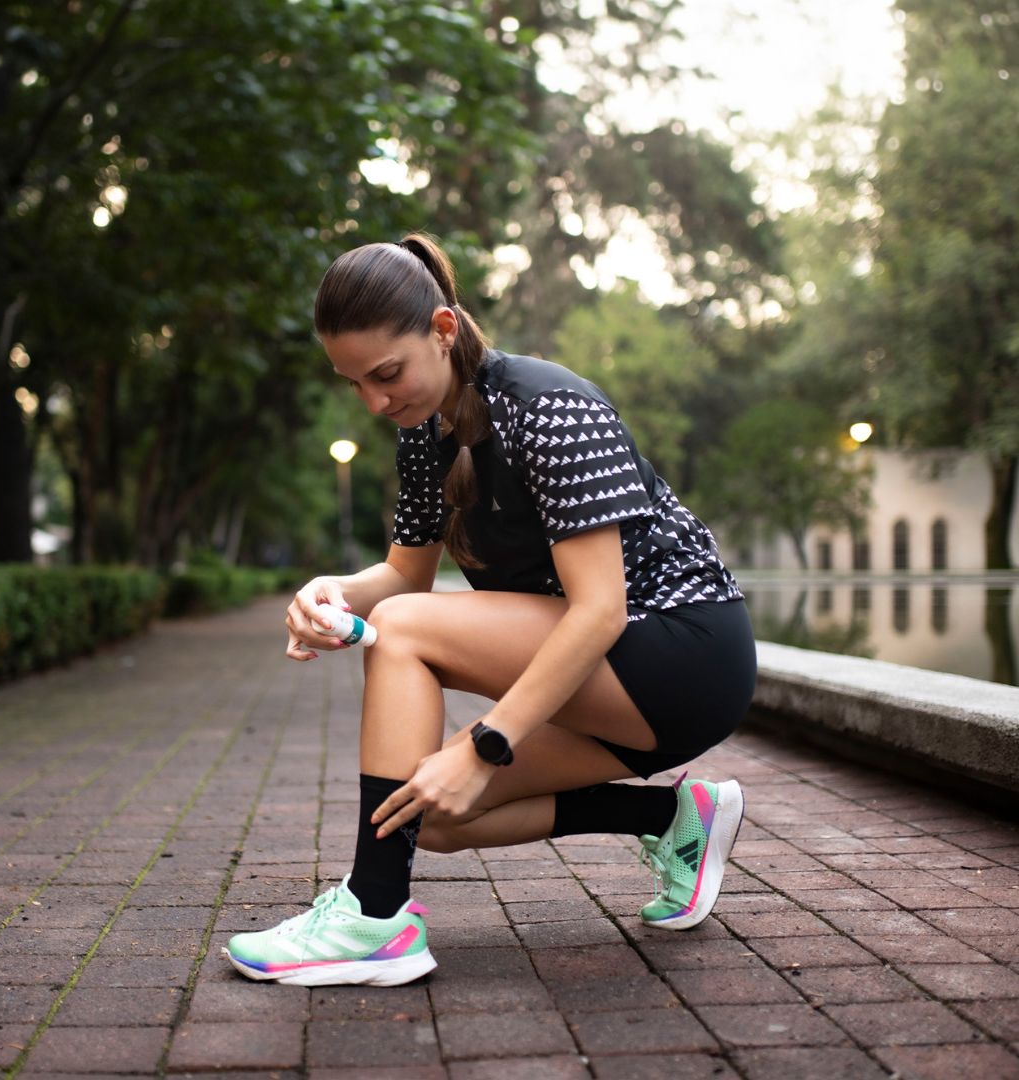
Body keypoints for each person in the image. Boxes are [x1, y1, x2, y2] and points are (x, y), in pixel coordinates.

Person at [223, 234, 757, 988]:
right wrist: (331, 592)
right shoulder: (423, 435)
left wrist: (484, 745)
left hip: (681, 651)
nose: (375, 402)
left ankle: (375, 919)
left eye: (386, 374)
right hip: (604, 680)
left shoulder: (549, 406)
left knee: (410, 646)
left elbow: (599, 610)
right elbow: (405, 575)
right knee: (426, 815)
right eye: (355, 385)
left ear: (443, 330)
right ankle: (674, 823)